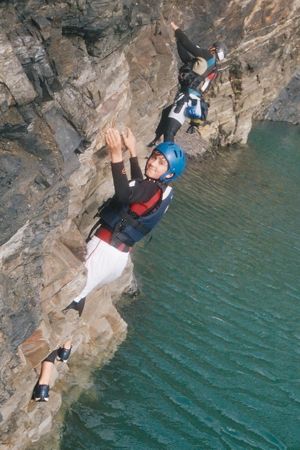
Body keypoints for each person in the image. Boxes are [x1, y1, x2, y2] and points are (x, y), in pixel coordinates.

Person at [32, 127, 186, 401]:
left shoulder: (150, 187)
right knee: (82, 293)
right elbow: (141, 190)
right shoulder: (162, 191)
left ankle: (46, 375)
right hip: (117, 259)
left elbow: (125, 196)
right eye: (154, 156)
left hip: (103, 250)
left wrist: (117, 155)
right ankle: (67, 345)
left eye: (161, 162)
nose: (154, 162)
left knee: (67, 300)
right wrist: (134, 154)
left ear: (170, 172)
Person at [148, 22, 227, 145]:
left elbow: (187, 44)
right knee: (166, 115)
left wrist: (176, 29)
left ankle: (167, 157)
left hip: (185, 99)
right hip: (192, 100)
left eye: (211, 47)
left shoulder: (207, 55)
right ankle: (156, 140)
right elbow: (186, 60)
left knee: (170, 132)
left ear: (213, 49)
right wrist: (178, 42)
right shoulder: (213, 69)